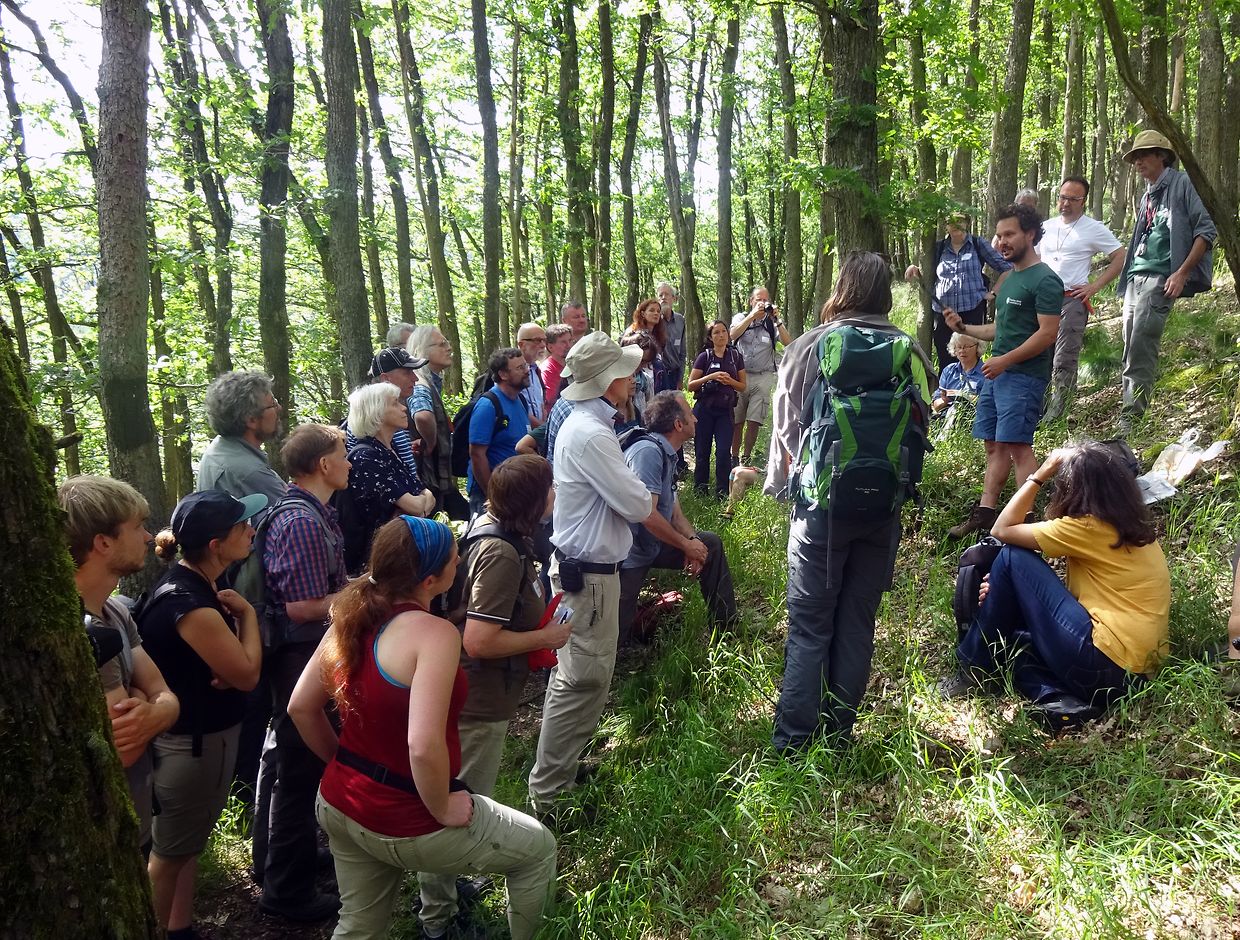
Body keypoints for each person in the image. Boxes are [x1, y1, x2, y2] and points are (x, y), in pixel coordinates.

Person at [288, 516, 557, 940]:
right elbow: (422, 744)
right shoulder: (435, 635)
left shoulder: (347, 615)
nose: (461, 564)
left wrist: (346, 764)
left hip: (340, 802)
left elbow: (300, 708)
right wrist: (441, 806)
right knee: (538, 850)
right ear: (433, 579)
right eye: (456, 559)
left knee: (358, 927)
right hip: (405, 815)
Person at [528, 331, 706, 819]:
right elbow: (634, 503)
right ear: (610, 382)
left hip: (590, 570)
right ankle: (548, 790)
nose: (632, 380)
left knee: (588, 675)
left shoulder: (593, 426)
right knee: (580, 679)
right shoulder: (590, 434)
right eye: (626, 372)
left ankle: (563, 767)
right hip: (589, 576)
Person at [765, 252, 932, 753]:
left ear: (842, 288)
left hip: (821, 510)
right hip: (882, 509)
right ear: (885, 295)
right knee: (858, 622)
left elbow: (786, 429)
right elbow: (922, 425)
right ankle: (838, 738)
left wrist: (781, 487)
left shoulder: (811, 346)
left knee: (810, 627)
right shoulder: (909, 349)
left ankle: (793, 745)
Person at [417, 455, 572, 931]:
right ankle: (438, 919)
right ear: (531, 502)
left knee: (459, 797)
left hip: (478, 694)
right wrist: (543, 639)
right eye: (549, 490)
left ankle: (449, 887)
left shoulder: (492, 527)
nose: (554, 496)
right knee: (456, 804)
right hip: (478, 700)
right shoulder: (502, 553)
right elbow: (479, 639)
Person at [949, 443, 1170, 727]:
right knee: (1013, 644)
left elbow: (1001, 530)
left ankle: (971, 668)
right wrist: (1006, 591)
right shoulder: (1133, 530)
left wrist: (1040, 473)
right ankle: (1059, 699)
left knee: (1013, 558)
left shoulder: (1089, 527)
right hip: (1132, 678)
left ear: (1075, 489)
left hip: (1106, 662)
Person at [137, 490, 267, 935]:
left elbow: (233, 668)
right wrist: (248, 616)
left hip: (202, 739)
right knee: (169, 854)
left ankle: (179, 927)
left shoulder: (198, 586)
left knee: (185, 846)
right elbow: (248, 674)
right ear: (215, 545)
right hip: (192, 748)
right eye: (242, 526)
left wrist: (229, 662)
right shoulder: (190, 603)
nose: (252, 529)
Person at [251, 424, 350, 921]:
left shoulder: (314, 513)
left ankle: (280, 860)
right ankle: (285, 891)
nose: (349, 462)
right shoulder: (303, 522)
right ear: (323, 466)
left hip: (308, 654)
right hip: (299, 657)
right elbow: (301, 607)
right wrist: (360, 593)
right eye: (342, 454)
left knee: (292, 764)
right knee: (298, 768)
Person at [59, 475, 180, 852]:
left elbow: (165, 695)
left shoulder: (115, 611)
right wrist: (153, 702)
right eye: (137, 526)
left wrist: (150, 703)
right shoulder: (81, 629)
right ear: (103, 542)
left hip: (134, 817)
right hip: (102, 831)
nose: (148, 537)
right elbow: (125, 748)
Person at [945, 203, 1064, 540]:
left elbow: (1046, 334)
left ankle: (1023, 521)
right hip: (997, 376)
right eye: (998, 235)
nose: (1001, 242)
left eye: (1009, 234)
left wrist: (1005, 361)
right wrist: (965, 327)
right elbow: (1000, 329)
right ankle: (986, 514)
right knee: (994, 446)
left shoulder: (1046, 280)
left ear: (1030, 234)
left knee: (1018, 447)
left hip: (1024, 377)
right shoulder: (1009, 278)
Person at [618, 392, 738, 644]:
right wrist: (684, 546)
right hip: (629, 553)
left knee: (710, 545)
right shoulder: (648, 452)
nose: (695, 417)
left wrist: (693, 542)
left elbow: (675, 513)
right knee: (618, 637)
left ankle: (726, 629)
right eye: (689, 414)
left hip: (651, 544)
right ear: (678, 425)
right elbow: (647, 515)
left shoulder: (667, 453)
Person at [1115, 129, 1216, 425]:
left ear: (1162, 156)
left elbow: (1206, 231)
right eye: (1134, 158)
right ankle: (1129, 410)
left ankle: (1132, 418)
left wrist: (1181, 273)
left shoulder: (1183, 184)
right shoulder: (1147, 194)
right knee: (1128, 346)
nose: (1137, 162)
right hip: (1136, 277)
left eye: (1143, 155)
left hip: (1160, 278)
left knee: (1141, 346)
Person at [1039, 176, 1127, 420]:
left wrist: (1094, 286)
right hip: (1042, 301)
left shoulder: (1093, 228)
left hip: (1072, 299)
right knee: (1040, 354)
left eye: (1073, 199)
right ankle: (1039, 408)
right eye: (1062, 197)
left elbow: (1120, 256)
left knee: (1064, 357)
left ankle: (1059, 411)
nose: (1066, 203)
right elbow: (1033, 260)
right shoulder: (1046, 226)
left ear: (1083, 201)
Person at [341, 382, 435, 572]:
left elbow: (427, 493)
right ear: (376, 412)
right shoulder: (366, 457)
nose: (404, 407)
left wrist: (419, 504)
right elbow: (417, 505)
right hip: (378, 564)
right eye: (394, 403)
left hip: (399, 553)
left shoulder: (388, 451)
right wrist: (420, 505)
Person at [904, 215, 1012, 370]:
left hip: (971, 311)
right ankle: (946, 392)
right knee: (945, 356)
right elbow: (926, 272)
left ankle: (971, 392)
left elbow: (1007, 268)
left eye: (960, 221)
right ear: (945, 226)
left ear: (967, 223)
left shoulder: (977, 244)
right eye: (951, 223)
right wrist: (914, 268)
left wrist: (993, 293)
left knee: (969, 356)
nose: (956, 226)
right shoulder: (939, 247)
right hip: (943, 313)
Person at [197, 371, 288, 513]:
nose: (279, 408)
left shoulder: (219, 448)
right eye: (272, 404)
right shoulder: (249, 473)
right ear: (251, 420)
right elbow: (299, 518)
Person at [407, 324, 467, 518]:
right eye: (441, 344)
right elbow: (423, 416)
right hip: (426, 478)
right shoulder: (420, 382)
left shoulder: (429, 380)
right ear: (422, 351)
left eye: (447, 343)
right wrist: (430, 443)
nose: (448, 348)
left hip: (433, 478)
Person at [729, 286, 791, 467]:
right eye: (758, 299)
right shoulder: (741, 318)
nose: (762, 303)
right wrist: (752, 317)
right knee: (737, 420)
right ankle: (733, 457)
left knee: (754, 420)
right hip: (740, 375)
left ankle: (746, 457)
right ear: (751, 301)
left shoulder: (772, 324)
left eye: (765, 300)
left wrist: (777, 320)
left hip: (763, 376)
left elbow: (789, 344)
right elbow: (732, 335)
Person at [468, 347, 532, 516]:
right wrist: (493, 496)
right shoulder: (488, 406)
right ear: (503, 374)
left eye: (525, 366)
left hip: (516, 491)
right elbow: (476, 454)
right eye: (520, 368)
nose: (527, 371)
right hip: (491, 495)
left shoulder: (520, 399)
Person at [345, 348, 429, 474]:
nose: (415, 378)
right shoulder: (379, 417)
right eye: (407, 372)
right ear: (385, 378)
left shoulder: (385, 413)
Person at [687, 319, 747, 497]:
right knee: (702, 452)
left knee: (723, 452)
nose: (721, 335)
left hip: (725, 411)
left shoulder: (736, 357)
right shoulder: (704, 357)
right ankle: (700, 490)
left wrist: (730, 381)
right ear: (710, 337)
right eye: (716, 333)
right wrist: (710, 377)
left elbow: (743, 386)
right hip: (704, 410)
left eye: (723, 332)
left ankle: (722, 492)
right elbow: (690, 385)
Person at [932, 333, 986, 415]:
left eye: (966, 346)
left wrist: (970, 398)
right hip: (946, 421)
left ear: (977, 347)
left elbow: (990, 406)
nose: (962, 351)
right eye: (959, 347)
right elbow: (936, 406)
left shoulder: (986, 373)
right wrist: (945, 399)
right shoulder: (948, 371)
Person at [618, 331, 658, 431]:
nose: (643, 365)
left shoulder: (646, 381)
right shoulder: (615, 382)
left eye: (647, 362)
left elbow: (650, 411)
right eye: (641, 360)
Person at [515, 322, 549, 425]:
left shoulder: (535, 371)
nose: (543, 345)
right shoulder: (511, 373)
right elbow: (516, 409)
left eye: (544, 340)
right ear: (522, 345)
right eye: (537, 340)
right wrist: (542, 431)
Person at [656, 282, 687, 391]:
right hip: (657, 375)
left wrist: (680, 378)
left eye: (667, 294)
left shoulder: (680, 321)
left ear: (674, 298)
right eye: (660, 295)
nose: (663, 298)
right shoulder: (654, 321)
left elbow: (682, 352)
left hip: (674, 374)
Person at [541, 324, 574, 410]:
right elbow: (547, 402)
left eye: (570, 340)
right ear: (550, 347)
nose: (568, 345)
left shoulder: (573, 365)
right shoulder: (547, 370)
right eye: (563, 342)